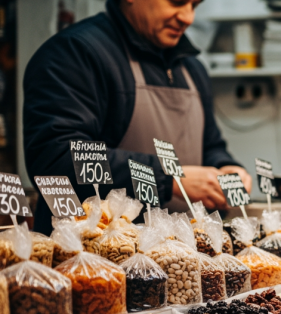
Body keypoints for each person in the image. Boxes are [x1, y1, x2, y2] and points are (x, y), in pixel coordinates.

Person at [24, 0, 252, 234]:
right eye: (177, 2)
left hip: (183, 259)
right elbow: (56, 158)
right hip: (93, 259)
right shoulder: (75, 53)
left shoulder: (192, 68)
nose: (188, 17)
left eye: (194, 5)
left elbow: (209, 146)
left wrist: (225, 167)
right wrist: (168, 179)